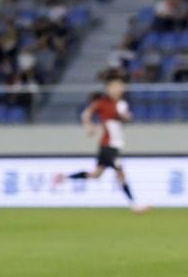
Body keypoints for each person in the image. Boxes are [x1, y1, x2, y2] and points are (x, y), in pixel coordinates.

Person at [52, 75, 148, 212]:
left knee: (96, 175)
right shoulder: (103, 103)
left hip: (113, 145)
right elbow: (85, 114)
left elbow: (124, 119)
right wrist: (89, 126)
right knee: (120, 172)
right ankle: (134, 205)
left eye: (121, 87)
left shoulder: (122, 104)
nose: (120, 89)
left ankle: (64, 177)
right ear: (109, 89)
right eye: (116, 87)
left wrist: (126, 117)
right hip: (108, 145)